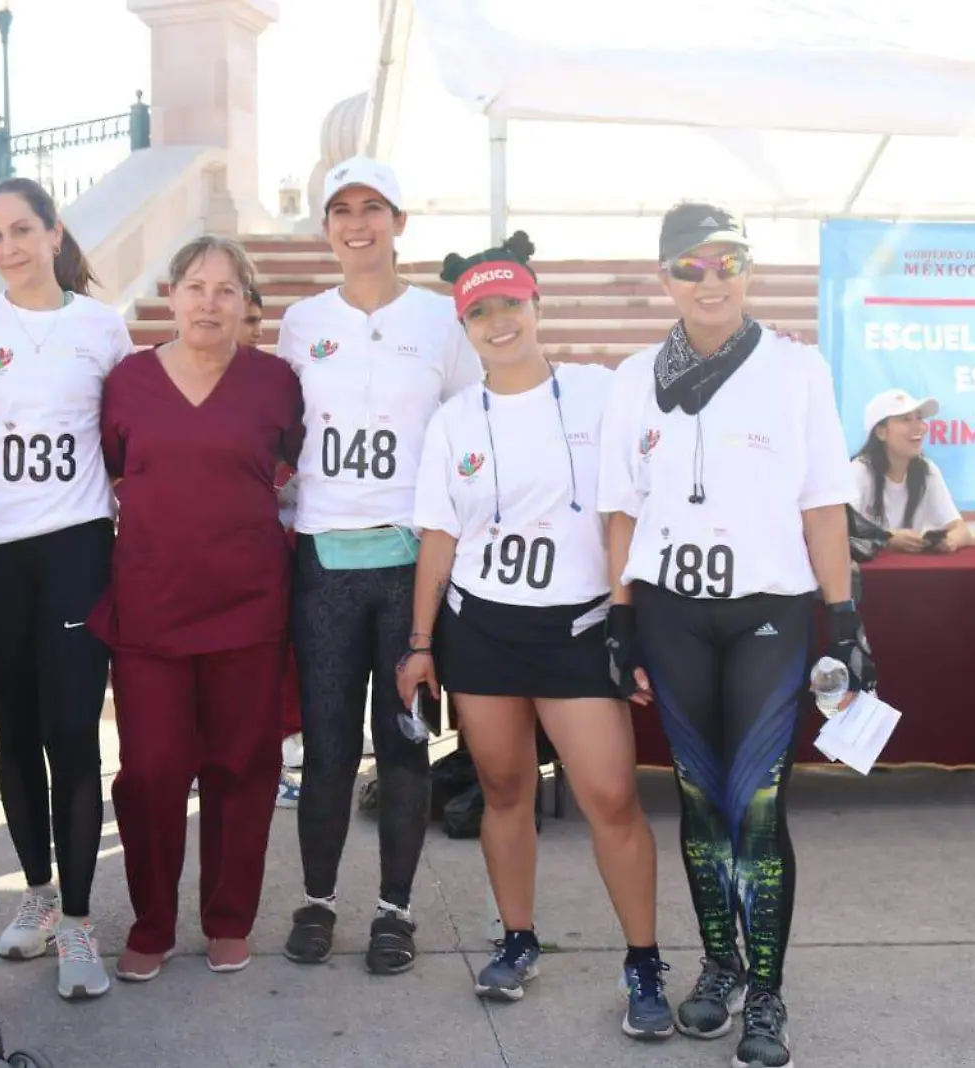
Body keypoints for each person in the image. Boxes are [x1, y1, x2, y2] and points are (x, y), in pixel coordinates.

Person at [598, 202, 877, 1068]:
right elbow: (620, 508)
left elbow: (822, 502)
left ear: (749, 271)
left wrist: (845, 621)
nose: (710, 279)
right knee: (698, 799)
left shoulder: (796, 370)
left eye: (727, 262)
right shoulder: (633, 375)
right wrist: (620, 615)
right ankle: (719, 962)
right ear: (665, 278)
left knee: (756, 806)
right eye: (691, 265)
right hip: (674, 614)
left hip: (768, 612)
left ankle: (768, 994)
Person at [395, 234, 669, 1032]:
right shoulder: (453, 421)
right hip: (482, 630)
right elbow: (438, 538)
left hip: (579, 629)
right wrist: (419, 643)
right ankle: (518, 938)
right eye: (480, 311)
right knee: (505, 790)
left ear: (536, 305)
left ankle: (644, 960)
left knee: (611, 797)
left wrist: (627, 614)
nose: (498, 321)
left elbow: (624, 506)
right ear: (465, 326)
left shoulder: (597, 390)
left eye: (510, 304)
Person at [276, 156, 482, 975]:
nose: (357, 222)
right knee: (325, 748)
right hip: (323, 561)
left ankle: (396, 911)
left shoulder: (440, 323)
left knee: (402, 745)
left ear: (399, 221)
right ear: (325, 226)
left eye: (373, 207)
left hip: (410, 567)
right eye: (341, 209)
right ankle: (318, 901)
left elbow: (471, 428)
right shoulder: (301, 322)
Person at [89, 235, 303, 981]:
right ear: (171, 296)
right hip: (152, 605)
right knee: (150, 770)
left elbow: (293, 468)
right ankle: (152, 923)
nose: (209, 302)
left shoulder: (276, 382)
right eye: (195, 287)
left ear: (247, 306)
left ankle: (228, 918)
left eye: (226, 290)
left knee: (242, 767)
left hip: (249, 605)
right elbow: (117, 470)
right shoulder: (127, 383)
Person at [0, 177, 133, 1000]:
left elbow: (131, 438)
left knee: (71, 732)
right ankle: (40, 895)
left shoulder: (102, 326)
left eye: (21, 229)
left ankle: (84, 929)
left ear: (54, 232)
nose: (8, 248)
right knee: (13, 731)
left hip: (75, 546)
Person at [242, 281, 307, 808]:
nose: (250, 333)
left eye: (256, 323)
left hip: (269, 553)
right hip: (196, 556)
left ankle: (277, 760)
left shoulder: (273, 385)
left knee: (273, 669)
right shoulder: (167, 381)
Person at [851, 389, 969, 553]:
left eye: (919, 418)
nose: (919, 427)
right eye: (905, 419)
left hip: (909, 573)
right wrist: (888, 538)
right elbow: (842, 528)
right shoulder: (859, 470)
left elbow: (961, 529)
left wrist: (950, 541)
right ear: (881, 432)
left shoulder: (927, 470)